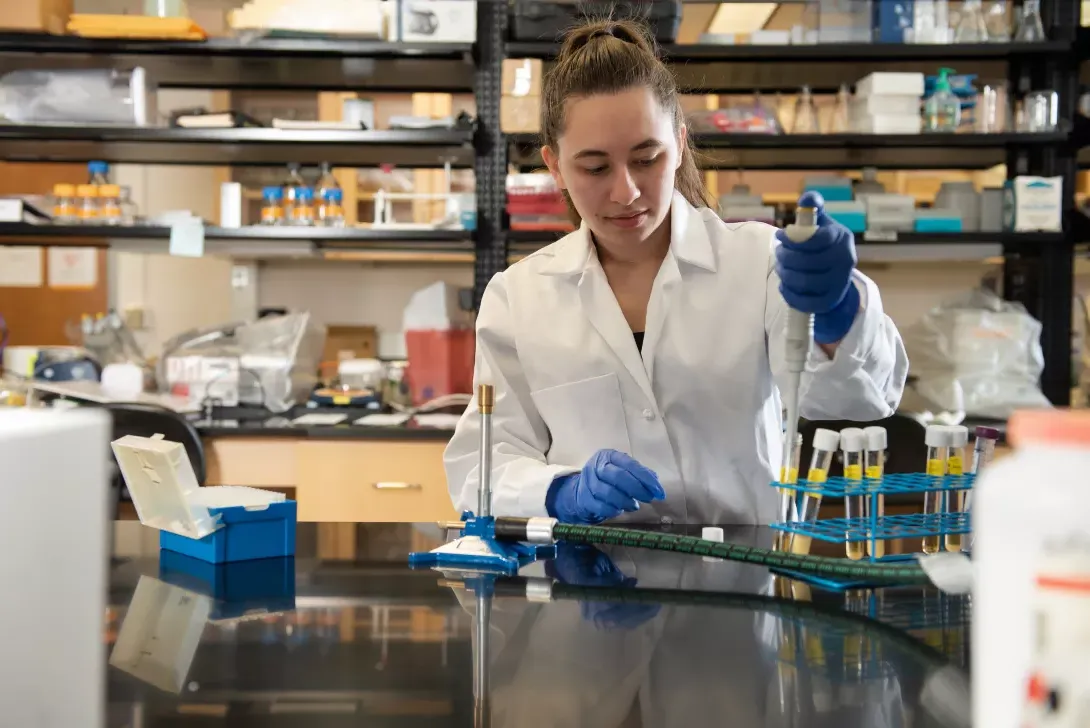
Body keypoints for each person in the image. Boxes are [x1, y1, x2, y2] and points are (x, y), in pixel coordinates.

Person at [445, 18, 909, 526]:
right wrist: (559, 492)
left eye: (647, 158)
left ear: (681, 143)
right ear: (554, 166)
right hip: (593, 586)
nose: (626, 192)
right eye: (595, 168)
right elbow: (481, 465)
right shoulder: (520, 297)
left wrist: (839, 312)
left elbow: (854, 399)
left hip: (744, 582)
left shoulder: (757, 262)